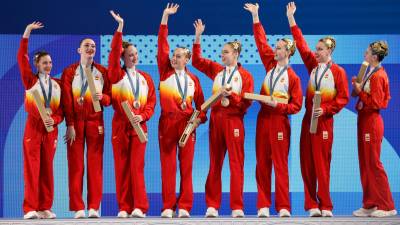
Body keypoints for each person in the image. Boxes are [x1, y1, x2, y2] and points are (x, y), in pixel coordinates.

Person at [286, 2, 349, 217]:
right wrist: (291, 19)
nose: (316, 52)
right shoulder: (313, 66)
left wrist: (327, 109)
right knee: (306, 163)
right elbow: (301, 45)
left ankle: (326, 205)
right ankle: (311, 205)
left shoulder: (338, 72)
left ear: (330, 50)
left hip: (324, 122)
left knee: (322, 164)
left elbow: (343, 98)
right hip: (307, 120)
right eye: (317, 49)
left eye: (320, 49)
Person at [244, 3, 303, 218]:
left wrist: (278, 105)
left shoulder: (293, 77)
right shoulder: (270, 65)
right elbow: (261, 43)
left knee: (280, 164)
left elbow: (296, 106)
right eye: (275, 47)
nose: (274, 50)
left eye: (278, 48)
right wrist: (256, 16)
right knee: (262, 163)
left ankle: (284, 206)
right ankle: (263, 205)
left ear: (287, 52)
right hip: (263, 120)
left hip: (279, 120)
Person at [192, 19, 254, 218]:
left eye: (226, 52)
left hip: (234, 121)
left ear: (235, 54)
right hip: (216, 121)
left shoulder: (245, 76)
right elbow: (197, 62)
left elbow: (247, 102)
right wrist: (198, 36)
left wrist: (232, 97)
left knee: (236, 164)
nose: (222, 54)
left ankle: (237, 206)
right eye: (222, 52)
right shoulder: (217, 71)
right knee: (214, 163)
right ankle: (212, 205)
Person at [157, 3, 207, 218]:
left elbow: (203, 108)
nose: (173, 58)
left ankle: (185, 206)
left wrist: (197, 121)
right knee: (168, 167)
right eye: (173, 55)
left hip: (187, 125)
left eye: (178, 56)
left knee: (186, 168)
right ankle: (168, 206)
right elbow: (162, 45)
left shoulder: (194, 80)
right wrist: (165, 18)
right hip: (167, 124)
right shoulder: (164, 72)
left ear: (187, 59)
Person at [108, 10, 156, 218]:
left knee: (137, 167)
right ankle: (124, 207)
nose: (134, 56)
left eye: (135, 54)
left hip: (139, 126)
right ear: (123, 57)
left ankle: (140, 207)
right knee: (121, 168)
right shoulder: (116, 75)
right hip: (121, 124)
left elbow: (152, 103)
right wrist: (120, 28)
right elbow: (113, 53)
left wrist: (143, 116)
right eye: (130, 54)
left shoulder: (145, 78)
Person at [61, 28, 111, 219]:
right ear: (79, 50)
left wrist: (104, 97)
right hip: (76, 124)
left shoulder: (102, 72)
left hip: (95, 122)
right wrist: (70, 124)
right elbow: (66, 100)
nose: (90, 48)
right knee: (75, 166)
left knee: (95, 165)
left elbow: (111, 98)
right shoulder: (69, 72)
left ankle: (93, 207)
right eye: (86, 46)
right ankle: (78, 207)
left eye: (93, 46)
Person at [17, 22, 63, 219]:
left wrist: (55, 120)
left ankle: (44, 207)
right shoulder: (30, 81)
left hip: (50, 130)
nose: (48, 65)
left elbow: (61, 111)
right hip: (34, 129)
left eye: (50, 62)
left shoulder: (57, 85)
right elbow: (21, 58)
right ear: (37, 64)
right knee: (32, 169)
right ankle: (30, 208)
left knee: (47, 170)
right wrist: (27, 32)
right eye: (45, 63)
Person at [352, 41, 397, 218]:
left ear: (375, 57)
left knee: (374, 163)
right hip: (363, 119)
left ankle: (387, 205)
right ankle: (370, 203)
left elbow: (377, 103)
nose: (365, 54)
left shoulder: (379, 76)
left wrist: (360, 91)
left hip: (372, 121)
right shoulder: (370, 72)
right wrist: (358, 86)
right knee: (365, 163)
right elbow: (363, 95)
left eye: (368, 52)